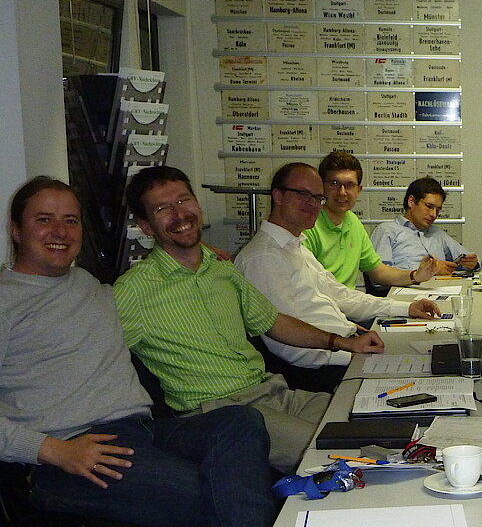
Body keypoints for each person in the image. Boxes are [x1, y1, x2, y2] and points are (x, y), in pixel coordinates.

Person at [1, 177, 276, 527]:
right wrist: (53, 450)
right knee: (225, 492)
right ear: (16, 230)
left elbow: (161, 277)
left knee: (241, 422)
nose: (60, 231)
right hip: (69, 454)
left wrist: (202, 255)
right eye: (44, 220)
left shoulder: (89, 285)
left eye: (70, 220)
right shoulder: (6, 301)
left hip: (142, 432)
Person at [114, 166, 384, 473]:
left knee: (371, 423)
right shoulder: (133, 290)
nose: (179, 214)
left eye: (183, 200)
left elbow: (274, 322)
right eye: (162, 209)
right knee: (335, 453)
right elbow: (97, 361)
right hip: (218, 412)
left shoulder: (222, 270)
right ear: (146, 227)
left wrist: (343, 343)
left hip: (271, 392)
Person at [235, 162, 441, 391]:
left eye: (317, 197)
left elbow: (340, 295)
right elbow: (287, 346)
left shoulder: (295, 246)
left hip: (346, 346)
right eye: (303, 194)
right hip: (321, 371)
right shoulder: (263, 257)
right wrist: (350, 355)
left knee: (434, 359)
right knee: (428, 381)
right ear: (278, 196)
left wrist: (405, 308)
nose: (312, 204)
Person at [304, 151, 435, 290]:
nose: (342, 192)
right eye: (334, 183)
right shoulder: (308, 225)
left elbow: (378, 271)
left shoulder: (352, 221)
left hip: (348, 302)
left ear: (358, 190)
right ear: (321, 187)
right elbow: (307, 288)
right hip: (322, 302)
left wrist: (415, 276)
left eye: (349, 185)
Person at [370, 176, 478, 276]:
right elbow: (378, 276)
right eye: (429, 206)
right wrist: (430, 271)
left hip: (442, 288)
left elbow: (471, 259)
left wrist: (473, 264)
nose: (434, 215)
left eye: (438, 210)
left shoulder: (437, 234)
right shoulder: (386, 230)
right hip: (406, 289)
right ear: (411, 201)